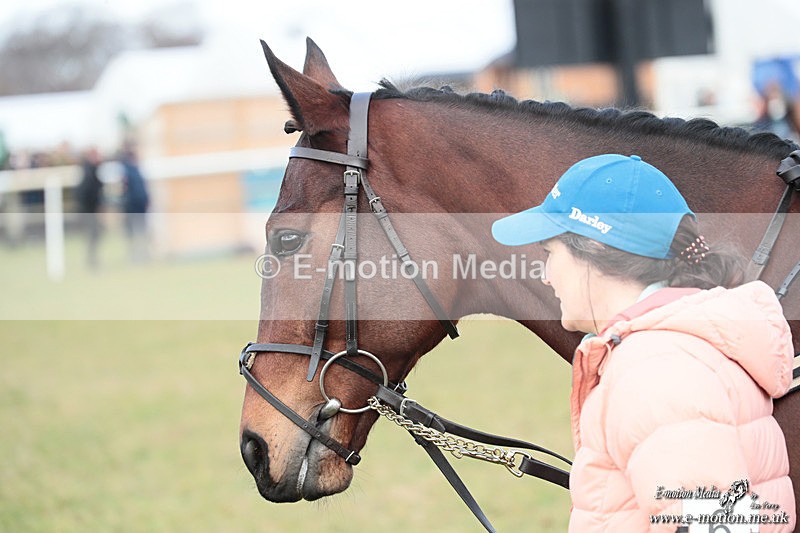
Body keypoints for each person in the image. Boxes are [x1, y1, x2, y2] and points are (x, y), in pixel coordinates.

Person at [492, 154, 795, 532]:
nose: (546, 277)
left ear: (595, 247)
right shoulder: (671, 351)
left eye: (549, 254)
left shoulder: (654, 369)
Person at [120, 145, 150, 262]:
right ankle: (135, 257)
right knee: (133, 233)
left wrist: (146, 200)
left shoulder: (137, 169)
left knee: (142, 232)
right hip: (133, 206)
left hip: (140, 206)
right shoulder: (127, 170)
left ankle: (143, 255)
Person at [75, 147, 103, 269]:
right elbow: (86, 192)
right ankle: (91, 261)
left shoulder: (92, 170)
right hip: (88, 210)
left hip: (91, 210)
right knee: (92, 236)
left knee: (95, 236)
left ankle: (93, 260)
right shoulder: (88, 171)